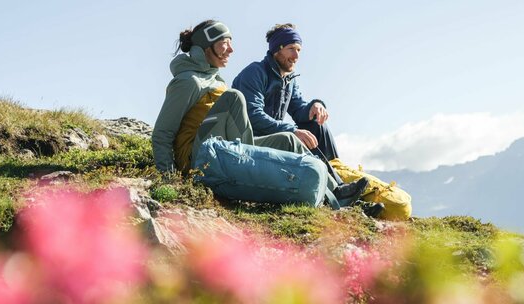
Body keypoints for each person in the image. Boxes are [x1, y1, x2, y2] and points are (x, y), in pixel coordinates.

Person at [150, 20, 370, 208]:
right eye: (224, 43)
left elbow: (298, 108)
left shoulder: (216, 81)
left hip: (223, 148)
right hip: (196, 157)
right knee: (234, 97)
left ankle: (338, 195)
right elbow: (162, 133)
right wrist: (170, 179)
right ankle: (249, 162)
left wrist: (316, 105)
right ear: (206, 47)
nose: (231, 49)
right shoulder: (188, 82)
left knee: (288, 140)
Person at [232, 23, 340, 162]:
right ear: (277, 50)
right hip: (250, 139)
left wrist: (315, 105)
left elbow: (299, 111)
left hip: (275, 134)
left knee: (316, 124)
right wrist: (291, 130)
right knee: (291, 136)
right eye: (291, 49)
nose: (296, 56)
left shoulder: (289, 79)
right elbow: (253, 116)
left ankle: (336, 170)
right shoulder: (255, 72)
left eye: (299, 50)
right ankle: (332, 179)